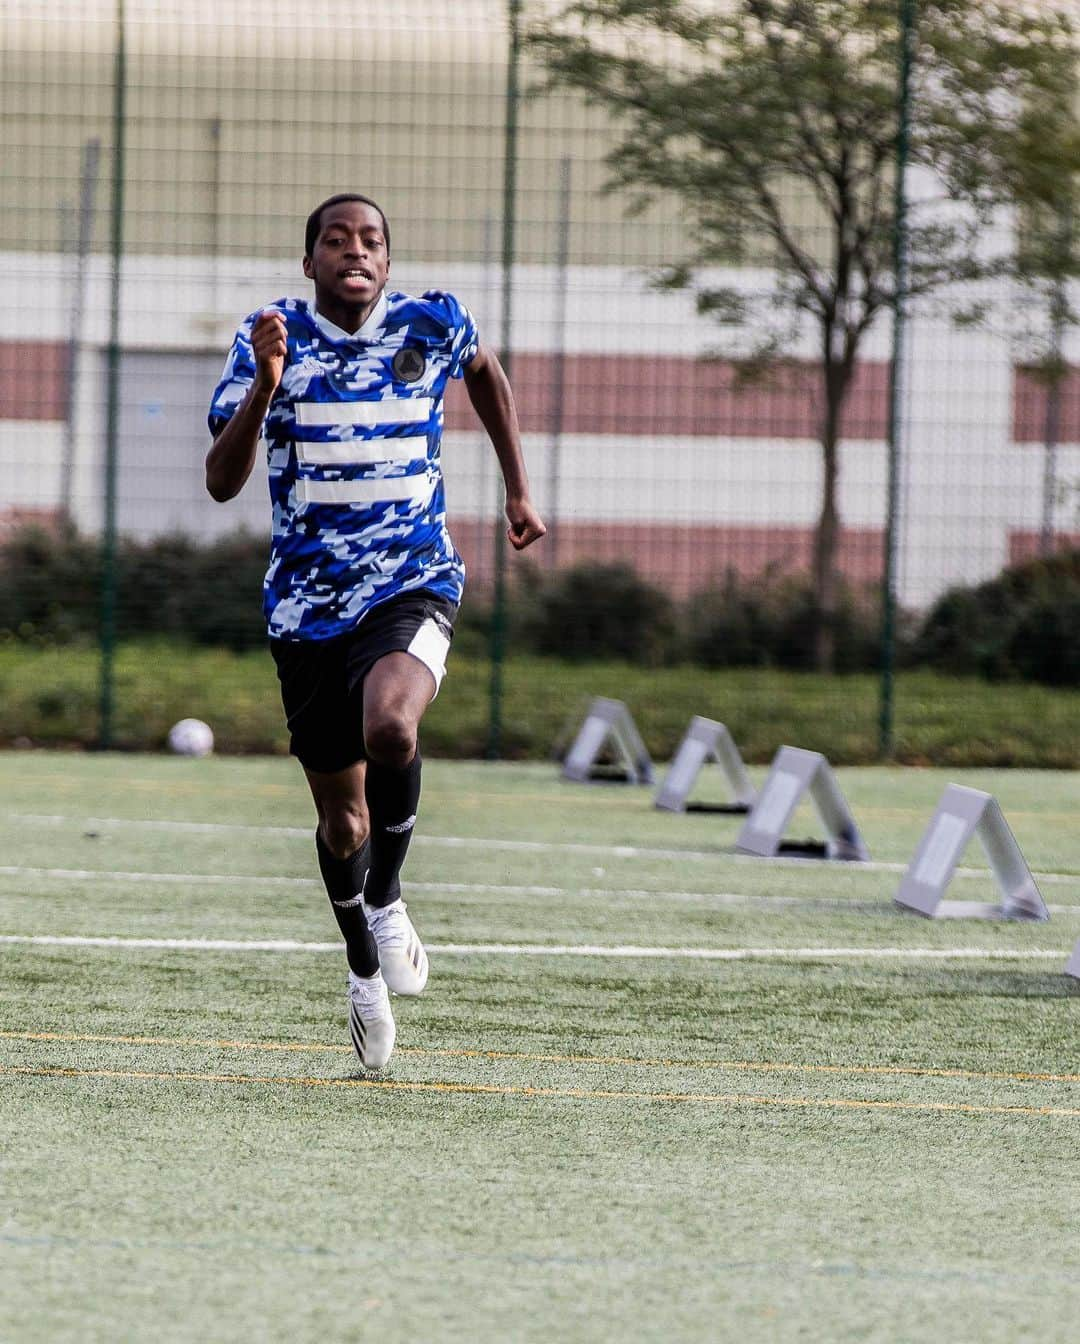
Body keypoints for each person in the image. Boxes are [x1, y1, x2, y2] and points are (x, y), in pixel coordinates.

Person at [206, 193, 546, 1070]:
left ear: (387, 263)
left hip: (412, 580)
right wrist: (266, 389)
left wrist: (516, 486)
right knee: (343, 822)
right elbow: (219, 480)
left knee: (393, 725)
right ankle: (361, 965)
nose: (355, 251)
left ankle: (389, 901)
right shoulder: (265, 338)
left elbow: (486, 375)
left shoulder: (435, 321)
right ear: (309, 260)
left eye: (372, 241)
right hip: (307, 608)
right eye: (335, 239)